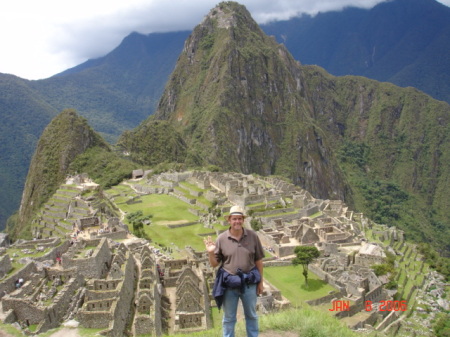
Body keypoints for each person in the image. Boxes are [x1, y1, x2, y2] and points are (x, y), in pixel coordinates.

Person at [204, 205, 265, 337]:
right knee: (229, 318)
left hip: (249, 283)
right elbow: (215, 264)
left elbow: (259, 261)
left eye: (239, 219)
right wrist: (210, 253)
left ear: (243, 220)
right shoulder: (221, 239)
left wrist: (260, 283)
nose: (237, 221)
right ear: (229, 221)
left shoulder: (253, 236)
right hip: (229, 283)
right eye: (234, 219)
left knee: (252, 315)